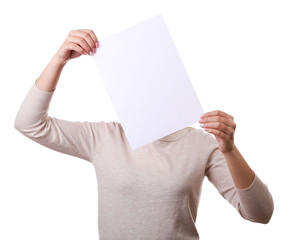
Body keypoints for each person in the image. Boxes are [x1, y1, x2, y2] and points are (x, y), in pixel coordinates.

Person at [14, 29, 274, 240]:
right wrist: (59, 60)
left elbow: (260, 214)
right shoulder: (104, 137)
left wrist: (230, 150)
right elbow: (29, 124)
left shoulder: (201, 144)